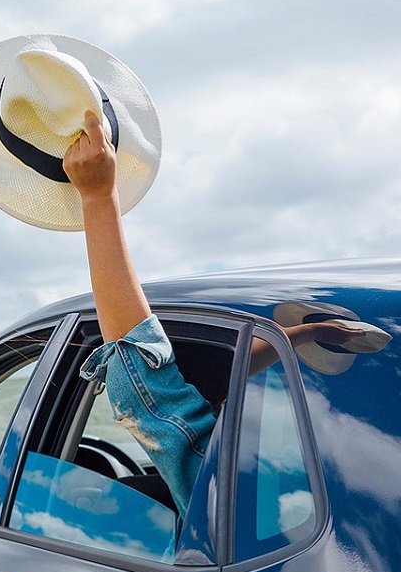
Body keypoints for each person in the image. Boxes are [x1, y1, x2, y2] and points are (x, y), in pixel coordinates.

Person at [61, 110, 367, 518]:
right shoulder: (344, 487)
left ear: (216, 406)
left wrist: (98, 199)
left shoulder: (226, 496)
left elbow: (141, 381)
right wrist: (302, 334)